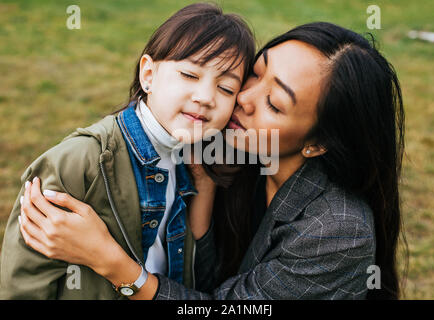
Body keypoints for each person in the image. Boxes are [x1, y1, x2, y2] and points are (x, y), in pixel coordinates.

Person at [16, 22, 406, 300]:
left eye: (274, 103)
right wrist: (202, 187)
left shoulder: (337, 232)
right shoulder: (235, 155)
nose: (243, 98)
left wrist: (110, 262)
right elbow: (205, 280)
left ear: (317, 144)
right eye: (254, 74)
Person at [0, 2, 255, 299]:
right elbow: (23, 283)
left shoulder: (197, 163)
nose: (205, 97)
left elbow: (200, 279)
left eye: (225, 89)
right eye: (190, 75)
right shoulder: (79, 163)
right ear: (148, 75)